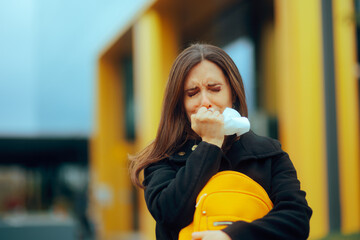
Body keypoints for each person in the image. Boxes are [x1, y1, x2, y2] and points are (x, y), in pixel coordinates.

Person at [129, 43, 312, 240]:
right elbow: (169, 214)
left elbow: (296, 218)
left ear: (232, 93)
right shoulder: (163, 159)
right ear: (180, 104)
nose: (205, 101)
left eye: (214, 89)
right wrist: (210, 143)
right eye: (192, 93)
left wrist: (231, 236)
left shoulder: (269, 154)